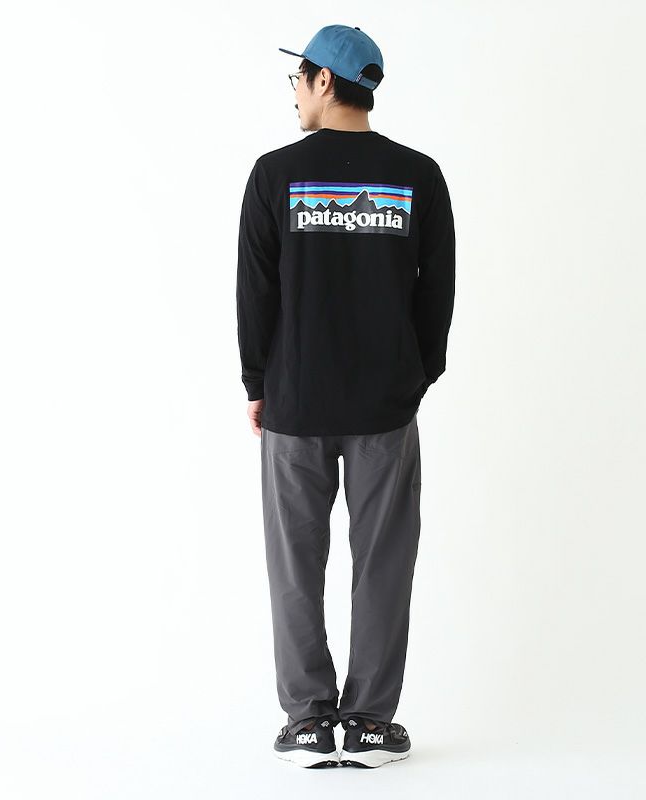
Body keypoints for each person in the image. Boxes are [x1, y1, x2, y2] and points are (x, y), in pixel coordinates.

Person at [236, 24, 455, 768]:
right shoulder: (418, 175)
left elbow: (255, 289)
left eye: (297, 78)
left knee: (294, 566)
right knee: (384, 563)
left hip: (294, 404)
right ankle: (367, 724)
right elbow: (438, 292)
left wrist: (258, 382)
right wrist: (414, 377)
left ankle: (308, 722)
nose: (295, 93)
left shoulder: (274, 174)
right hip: (384, 410)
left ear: (324, 81)